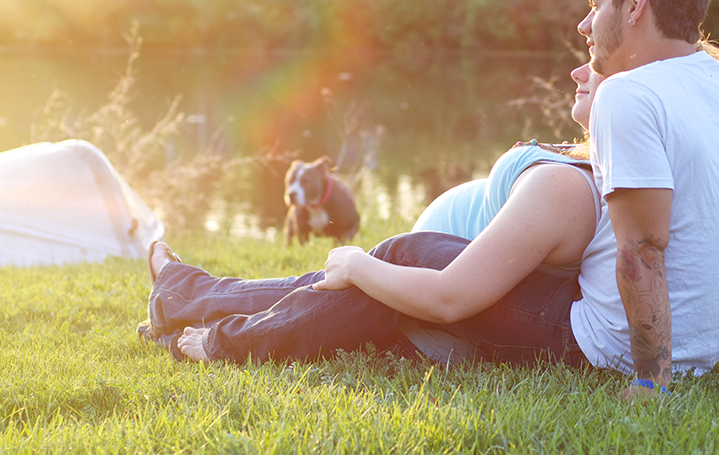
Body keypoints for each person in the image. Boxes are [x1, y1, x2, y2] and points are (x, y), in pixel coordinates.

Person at [144, 0, 719, 397]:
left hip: (593, 347)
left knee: (400, 259)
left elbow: (644, 250)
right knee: (416, 259)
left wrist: (652, 382)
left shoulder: (630, 93)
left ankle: (206, 320)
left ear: (635, 7)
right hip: (703, 351)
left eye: (596, 2)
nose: (584, 21)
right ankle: (190, 293)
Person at [139, 61, 604, 365]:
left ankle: (199, 316)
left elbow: (451, 296)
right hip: (460, 282)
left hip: (452, 296)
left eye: (598, 61)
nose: (578, 69)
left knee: (362, 279)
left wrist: (359, 262)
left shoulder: (579, 184)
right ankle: (185, 299)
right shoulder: (605, 161)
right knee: (347, 281)